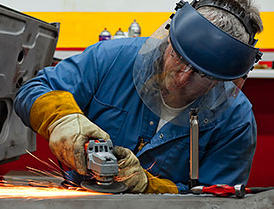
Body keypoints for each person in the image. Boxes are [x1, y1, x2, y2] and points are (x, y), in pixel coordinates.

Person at [14, 0, 263, 193]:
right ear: (169, 38)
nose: (181, 79)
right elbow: (34, 89)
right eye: (178, 57)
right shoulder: (112, 58)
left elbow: (216, 199)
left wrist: (149, 186)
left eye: (202, 75)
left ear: (224, 78)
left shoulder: (236, 121)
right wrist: (63, 120)